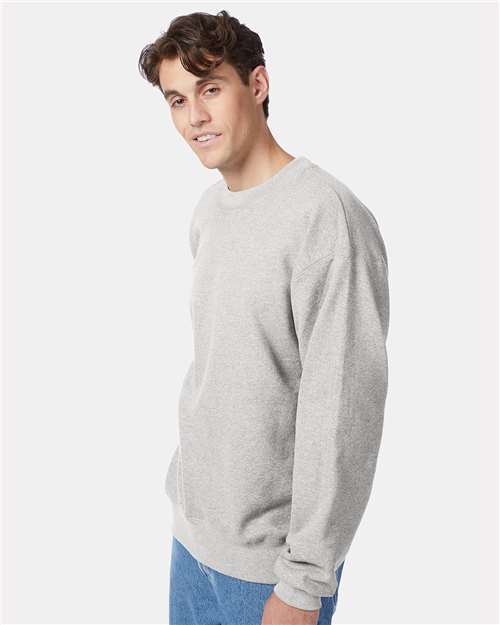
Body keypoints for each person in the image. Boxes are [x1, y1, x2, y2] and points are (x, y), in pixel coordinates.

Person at [138, 10, 390, 625]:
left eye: (210, 89)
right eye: (177, 100)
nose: (194, 117)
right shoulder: (210, 210)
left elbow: (343, 412)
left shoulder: (325, 217)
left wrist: (304, 582)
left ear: (257, 85)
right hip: (193, 541)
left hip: (269, 571)